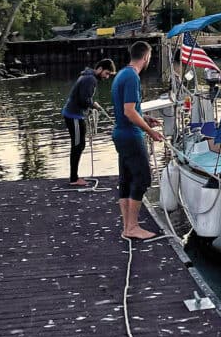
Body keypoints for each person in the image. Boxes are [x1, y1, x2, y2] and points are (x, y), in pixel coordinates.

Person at [111, 41, 163, 240]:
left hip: (120, 134)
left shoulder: (121, 74)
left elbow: (128, 110)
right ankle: (132, 227)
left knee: (126, 180)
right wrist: (150, 131)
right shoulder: (132, 77)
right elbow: (129, 111)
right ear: (146, 57)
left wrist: (145, 117)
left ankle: (127, 227)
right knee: (142, 179)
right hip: (131, 136)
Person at [61, 58, 116, 186]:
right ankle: (74, 178)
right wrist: (93, 105)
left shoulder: (88, 76)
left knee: (80, 145)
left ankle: (74, 177)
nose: (107, 77)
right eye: (107, 73)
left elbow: (83, 98)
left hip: (76, 115)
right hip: (73, 115)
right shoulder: (90, 79)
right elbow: (84, 100)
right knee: (77, 145)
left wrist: (90, 105)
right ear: (100, 69)